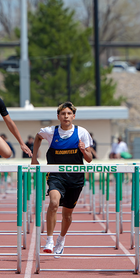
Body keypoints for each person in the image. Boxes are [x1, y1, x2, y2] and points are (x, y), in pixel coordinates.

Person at [31, 102, 93, 256]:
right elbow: (38, 137)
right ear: (58, 116)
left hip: (75, 178)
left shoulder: (82, 132)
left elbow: (90, 159)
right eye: (63, 114)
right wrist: (34, 157)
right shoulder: (51, 131)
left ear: (73, 116)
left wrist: (83, 150)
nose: (66, 116)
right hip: (56, 176)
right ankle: (49, 239)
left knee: (67, 215)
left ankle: (61, 238)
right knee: (53, 203)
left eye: (69, 114)